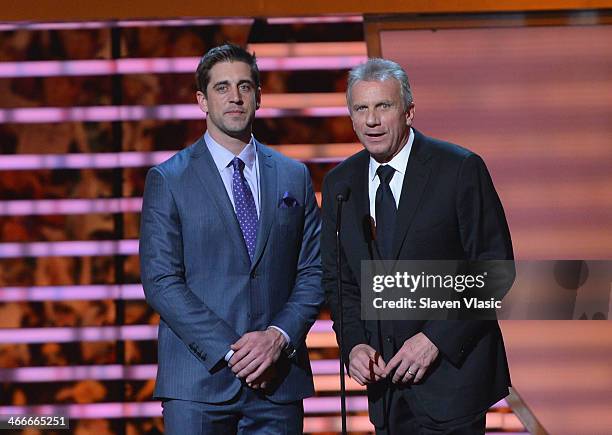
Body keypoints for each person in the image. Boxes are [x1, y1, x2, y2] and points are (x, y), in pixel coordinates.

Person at [321, 58, 514, 434]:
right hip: (386, 390)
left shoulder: (459, 169)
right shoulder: (340, 184)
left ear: (409, 111)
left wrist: (435, 339)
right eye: (361, 109)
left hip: (452, 382)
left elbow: (495, 269)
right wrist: (355, 346)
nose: (371, 120)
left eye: (383, 106)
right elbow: (339, 279)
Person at [140, 43, 323, 434]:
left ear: (259, 96)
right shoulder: (169, 179)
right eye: (222, 88)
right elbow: (161, 281)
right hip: (198, 386)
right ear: (202, 101)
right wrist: (235, 351)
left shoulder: (294, 176)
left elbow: (313, 270)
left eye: (244, 86)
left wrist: (277, 338)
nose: (235, 97)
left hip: (278, 381)